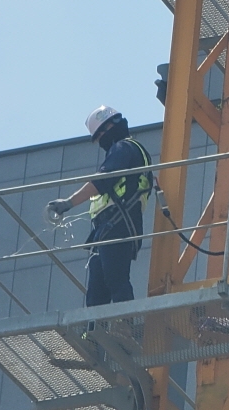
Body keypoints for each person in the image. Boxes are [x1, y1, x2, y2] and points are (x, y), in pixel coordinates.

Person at [46, 106, 153, 306]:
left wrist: (69, 203)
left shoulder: (124, 148)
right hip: (107, 227)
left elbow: (103, 181)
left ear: (111, 126)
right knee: (97, 290)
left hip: (119, 222)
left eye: (101, 134)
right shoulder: (126, 150)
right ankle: (94, 332)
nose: (101, 140)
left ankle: (125, 324)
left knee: (115, 278)